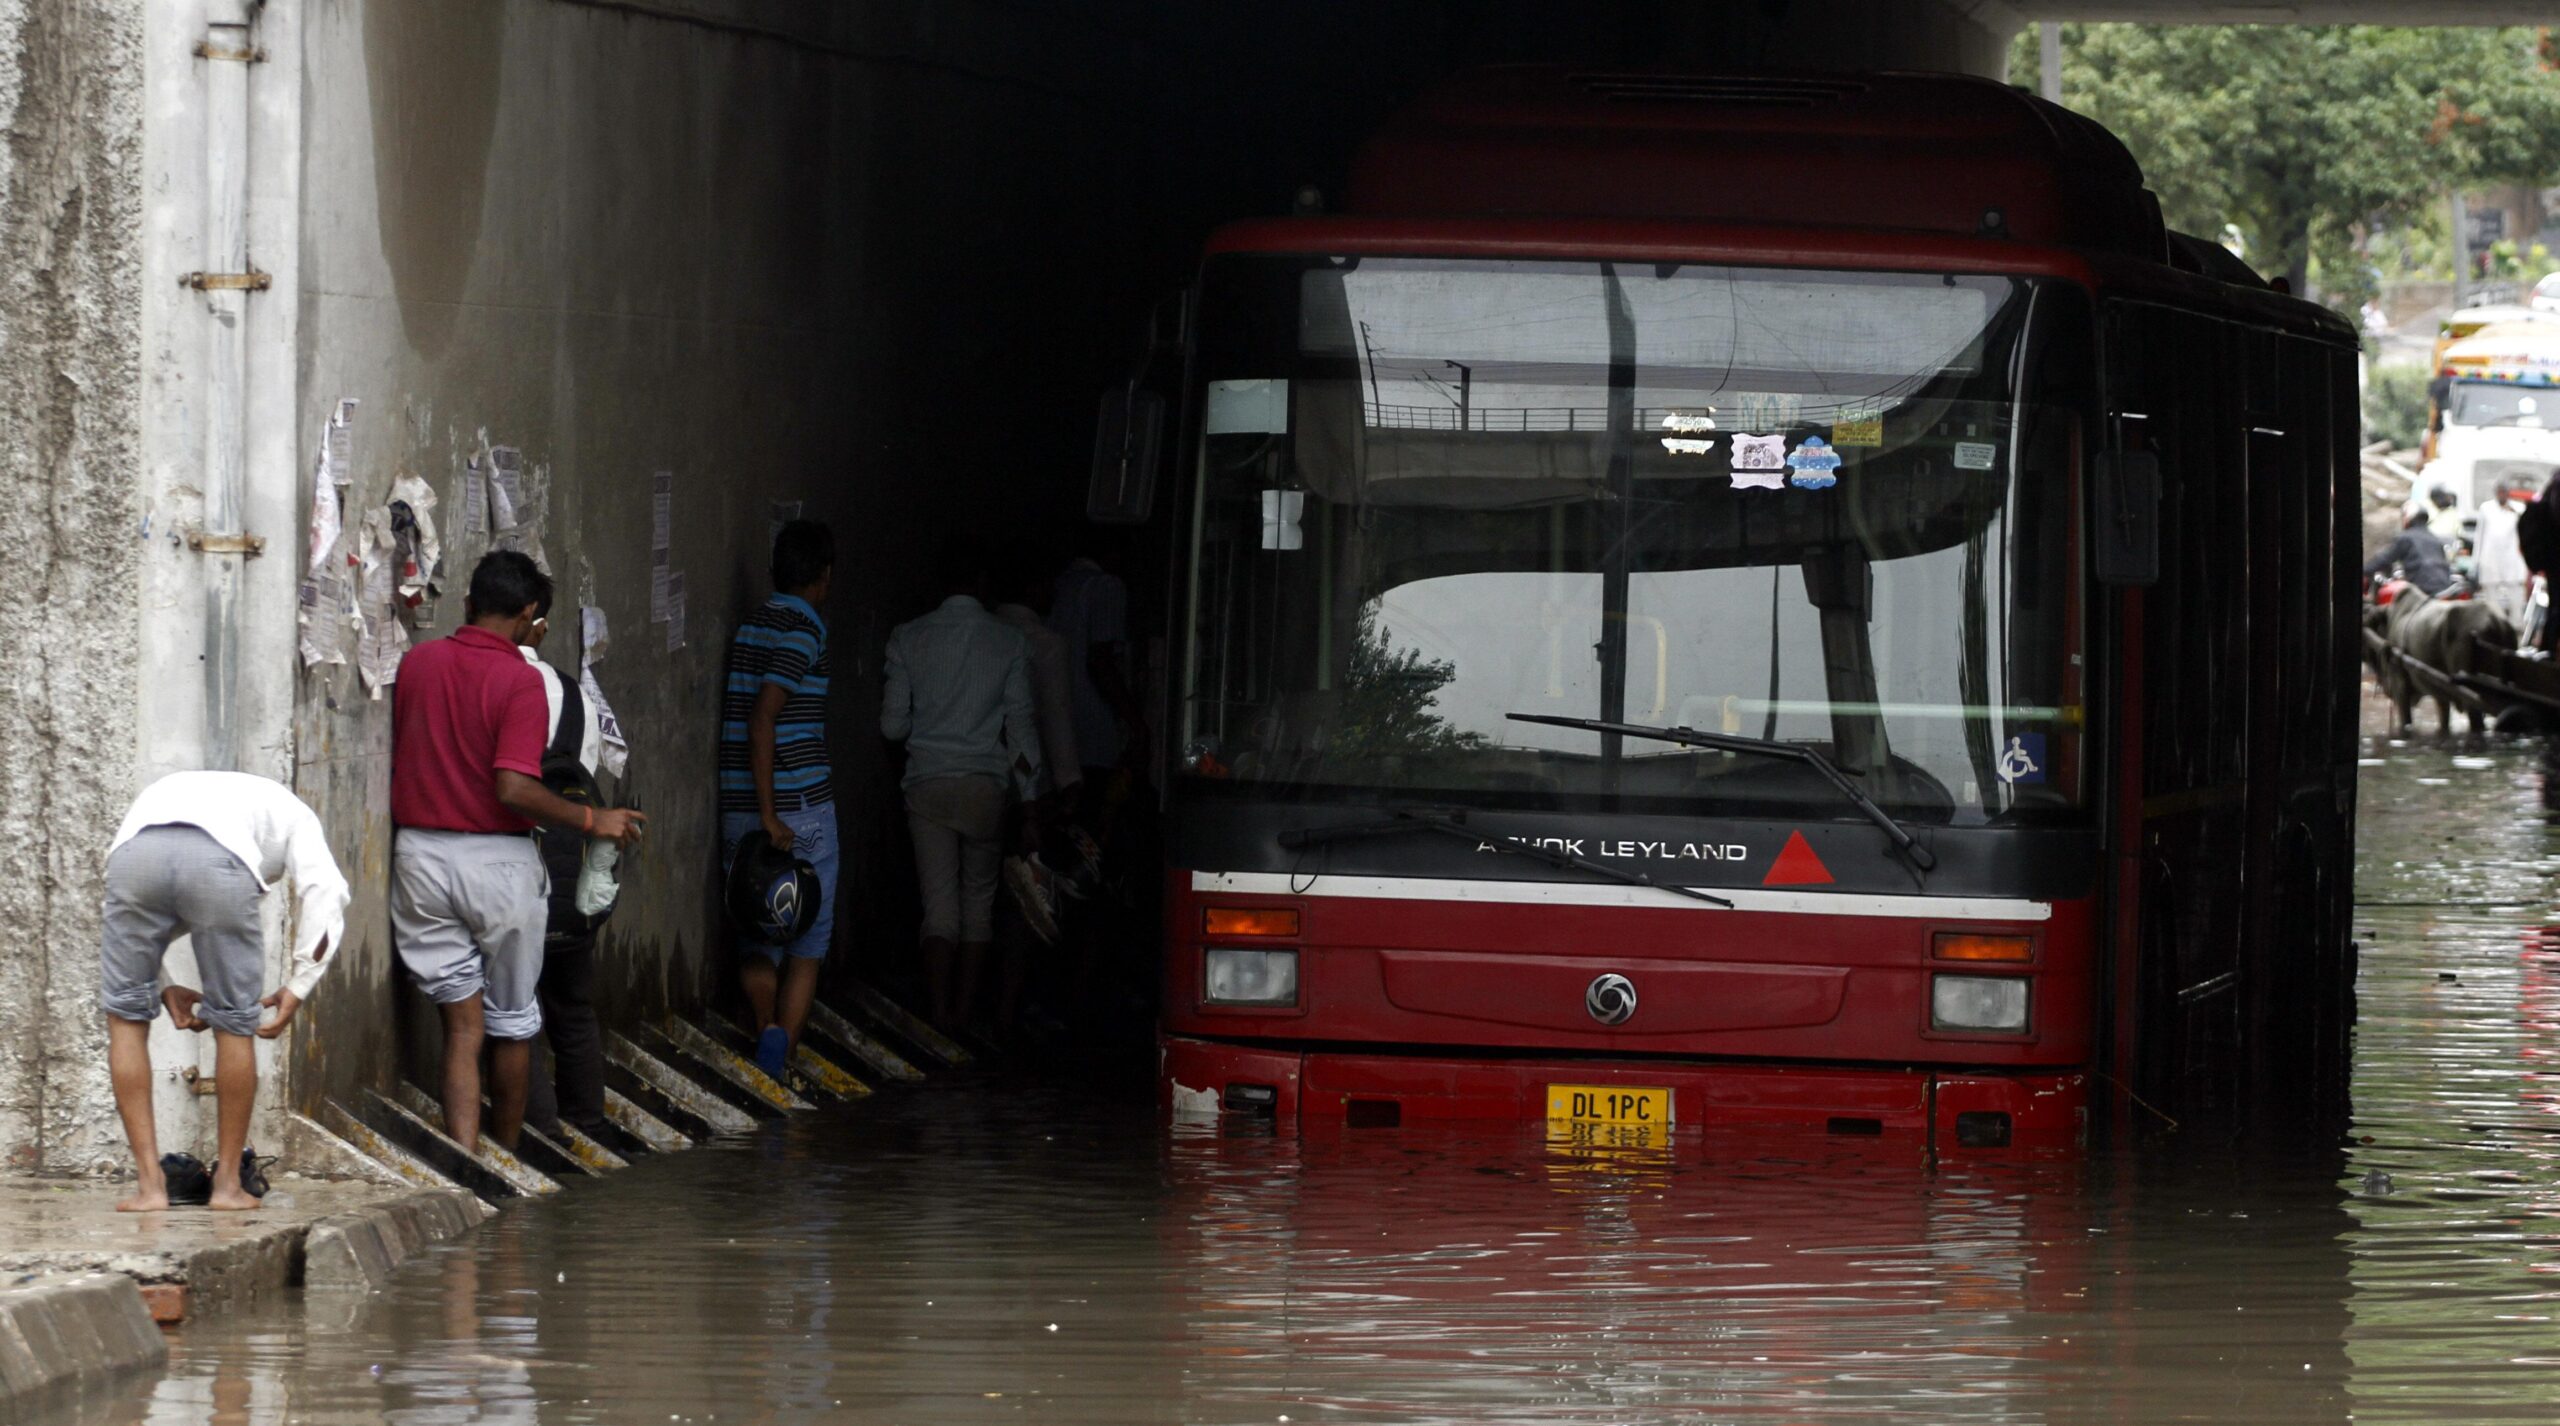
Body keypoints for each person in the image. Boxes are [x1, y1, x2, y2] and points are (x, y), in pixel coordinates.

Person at [393, 552, 644, 1155]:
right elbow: (513, 787)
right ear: (530, 614)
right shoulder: (521, 682)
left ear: (469, 604)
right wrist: (592, 818)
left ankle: (466, 1157)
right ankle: (506, 1159)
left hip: (420, 857)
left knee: (461, 1025)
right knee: (511, 1024)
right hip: (497, 864)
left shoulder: (418, 663)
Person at [99, 771, 350, 1211]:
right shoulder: (294, 814)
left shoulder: (169, 790)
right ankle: (228, 1185)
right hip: (218, 863)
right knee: (234, 1024)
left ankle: (150, 1188)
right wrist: (301, 981)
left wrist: (162, 983)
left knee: (125, 1020)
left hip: (133, 855)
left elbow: (140, 914)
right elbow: (326, 890)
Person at [883, 546, 1042, 1031]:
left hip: (927, 784)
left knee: (939, 906)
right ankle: (966, 1013)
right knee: (978, 904)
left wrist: (925, 725)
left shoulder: (907, 638)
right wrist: (1031, 801)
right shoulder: (1008, 642)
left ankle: (937, 1012)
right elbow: (1021, 733)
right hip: (985, 790)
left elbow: (892, 727)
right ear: (980, 582)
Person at [719, 520, 839, 1077]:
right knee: (807, 942)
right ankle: (783, 1056)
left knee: (755, 933)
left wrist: (756, 811)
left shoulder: (750, 629)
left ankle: (766, 1024)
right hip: (797, 811)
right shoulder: (805, 630)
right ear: (823, 578)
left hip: (741, 807)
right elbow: (764, 714)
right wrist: (773, 814)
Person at [518, 611, 610, 1144]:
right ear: (542, 627)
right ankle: (587, 1124)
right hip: (572, 867)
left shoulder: (492, 687)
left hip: (513, 868)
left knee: (515, 1009)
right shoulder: (577, 699)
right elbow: (586, 775)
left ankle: (540, 1134)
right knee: (573, 1006)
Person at [2475, 477, 2536, 626]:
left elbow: (2526, 532)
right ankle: (2495, 625)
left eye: (2504, 492)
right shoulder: (2486, 508)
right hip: (2490, 558)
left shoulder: (2518, 508)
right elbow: (2480, 536)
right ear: (2496, 493)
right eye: (2499, 492)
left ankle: (2517, 626)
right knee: (2491, 597)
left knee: (2516, 594)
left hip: (2512, 558)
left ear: (2509, 493)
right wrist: (2476, 561)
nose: (2502, 495)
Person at [2364, 508, 2460, 597]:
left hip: (2423, 589)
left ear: (2407, 519)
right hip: (2444, 586)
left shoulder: (2406, 537)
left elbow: (2384, 559)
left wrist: (2364, 569)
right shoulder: (2435, 539)